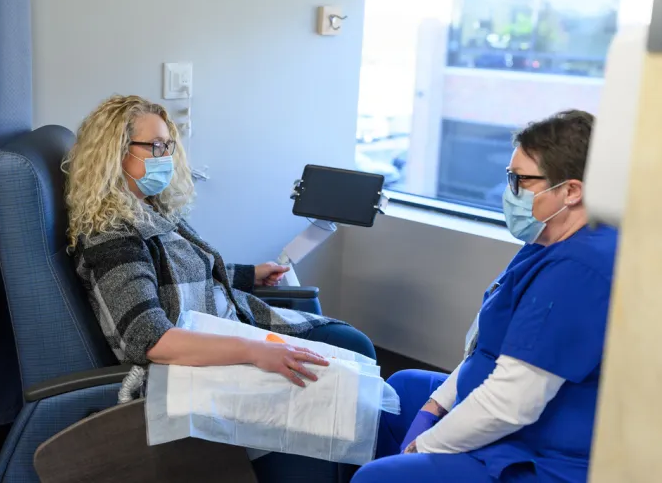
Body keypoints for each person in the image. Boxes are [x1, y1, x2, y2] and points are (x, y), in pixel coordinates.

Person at [66, 94, 375, 483]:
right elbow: (150, 338)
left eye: (169, 146)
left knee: (350, 348)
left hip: (225, 325)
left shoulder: (147, 209)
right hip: (195, 359)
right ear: (114, 153)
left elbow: (179, 274)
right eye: (155, 146)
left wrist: (248, 274)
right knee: (338, 365)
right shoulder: (113, 238)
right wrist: (254, 351)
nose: (166, 156)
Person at [352, 110, 615, 483]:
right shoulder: (545, 241)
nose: (511, 193)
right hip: (512, 414)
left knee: (376, 478)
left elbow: (510, 405)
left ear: (571, 191)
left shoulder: (579, 269)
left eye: (520, 180)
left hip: (541, 452)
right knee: (400, 392)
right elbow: (487, 348)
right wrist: (435, 405)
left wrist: (423, 447)